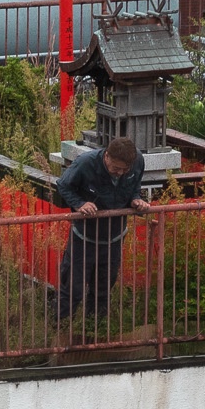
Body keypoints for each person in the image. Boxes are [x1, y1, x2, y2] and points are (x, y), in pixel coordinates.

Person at [55, 135, 149, 321]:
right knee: (72, 289)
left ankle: (94, 332)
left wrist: (136, 198)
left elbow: (135, 184)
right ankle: (60, 330)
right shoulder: (85, 163)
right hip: (84, 238)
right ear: (106, 156)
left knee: (103, 291)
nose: (119, 173)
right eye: (115, 168)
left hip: (113, 239)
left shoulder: (137, 161)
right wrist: (79, 204)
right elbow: (63, 186)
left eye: (124, 169)